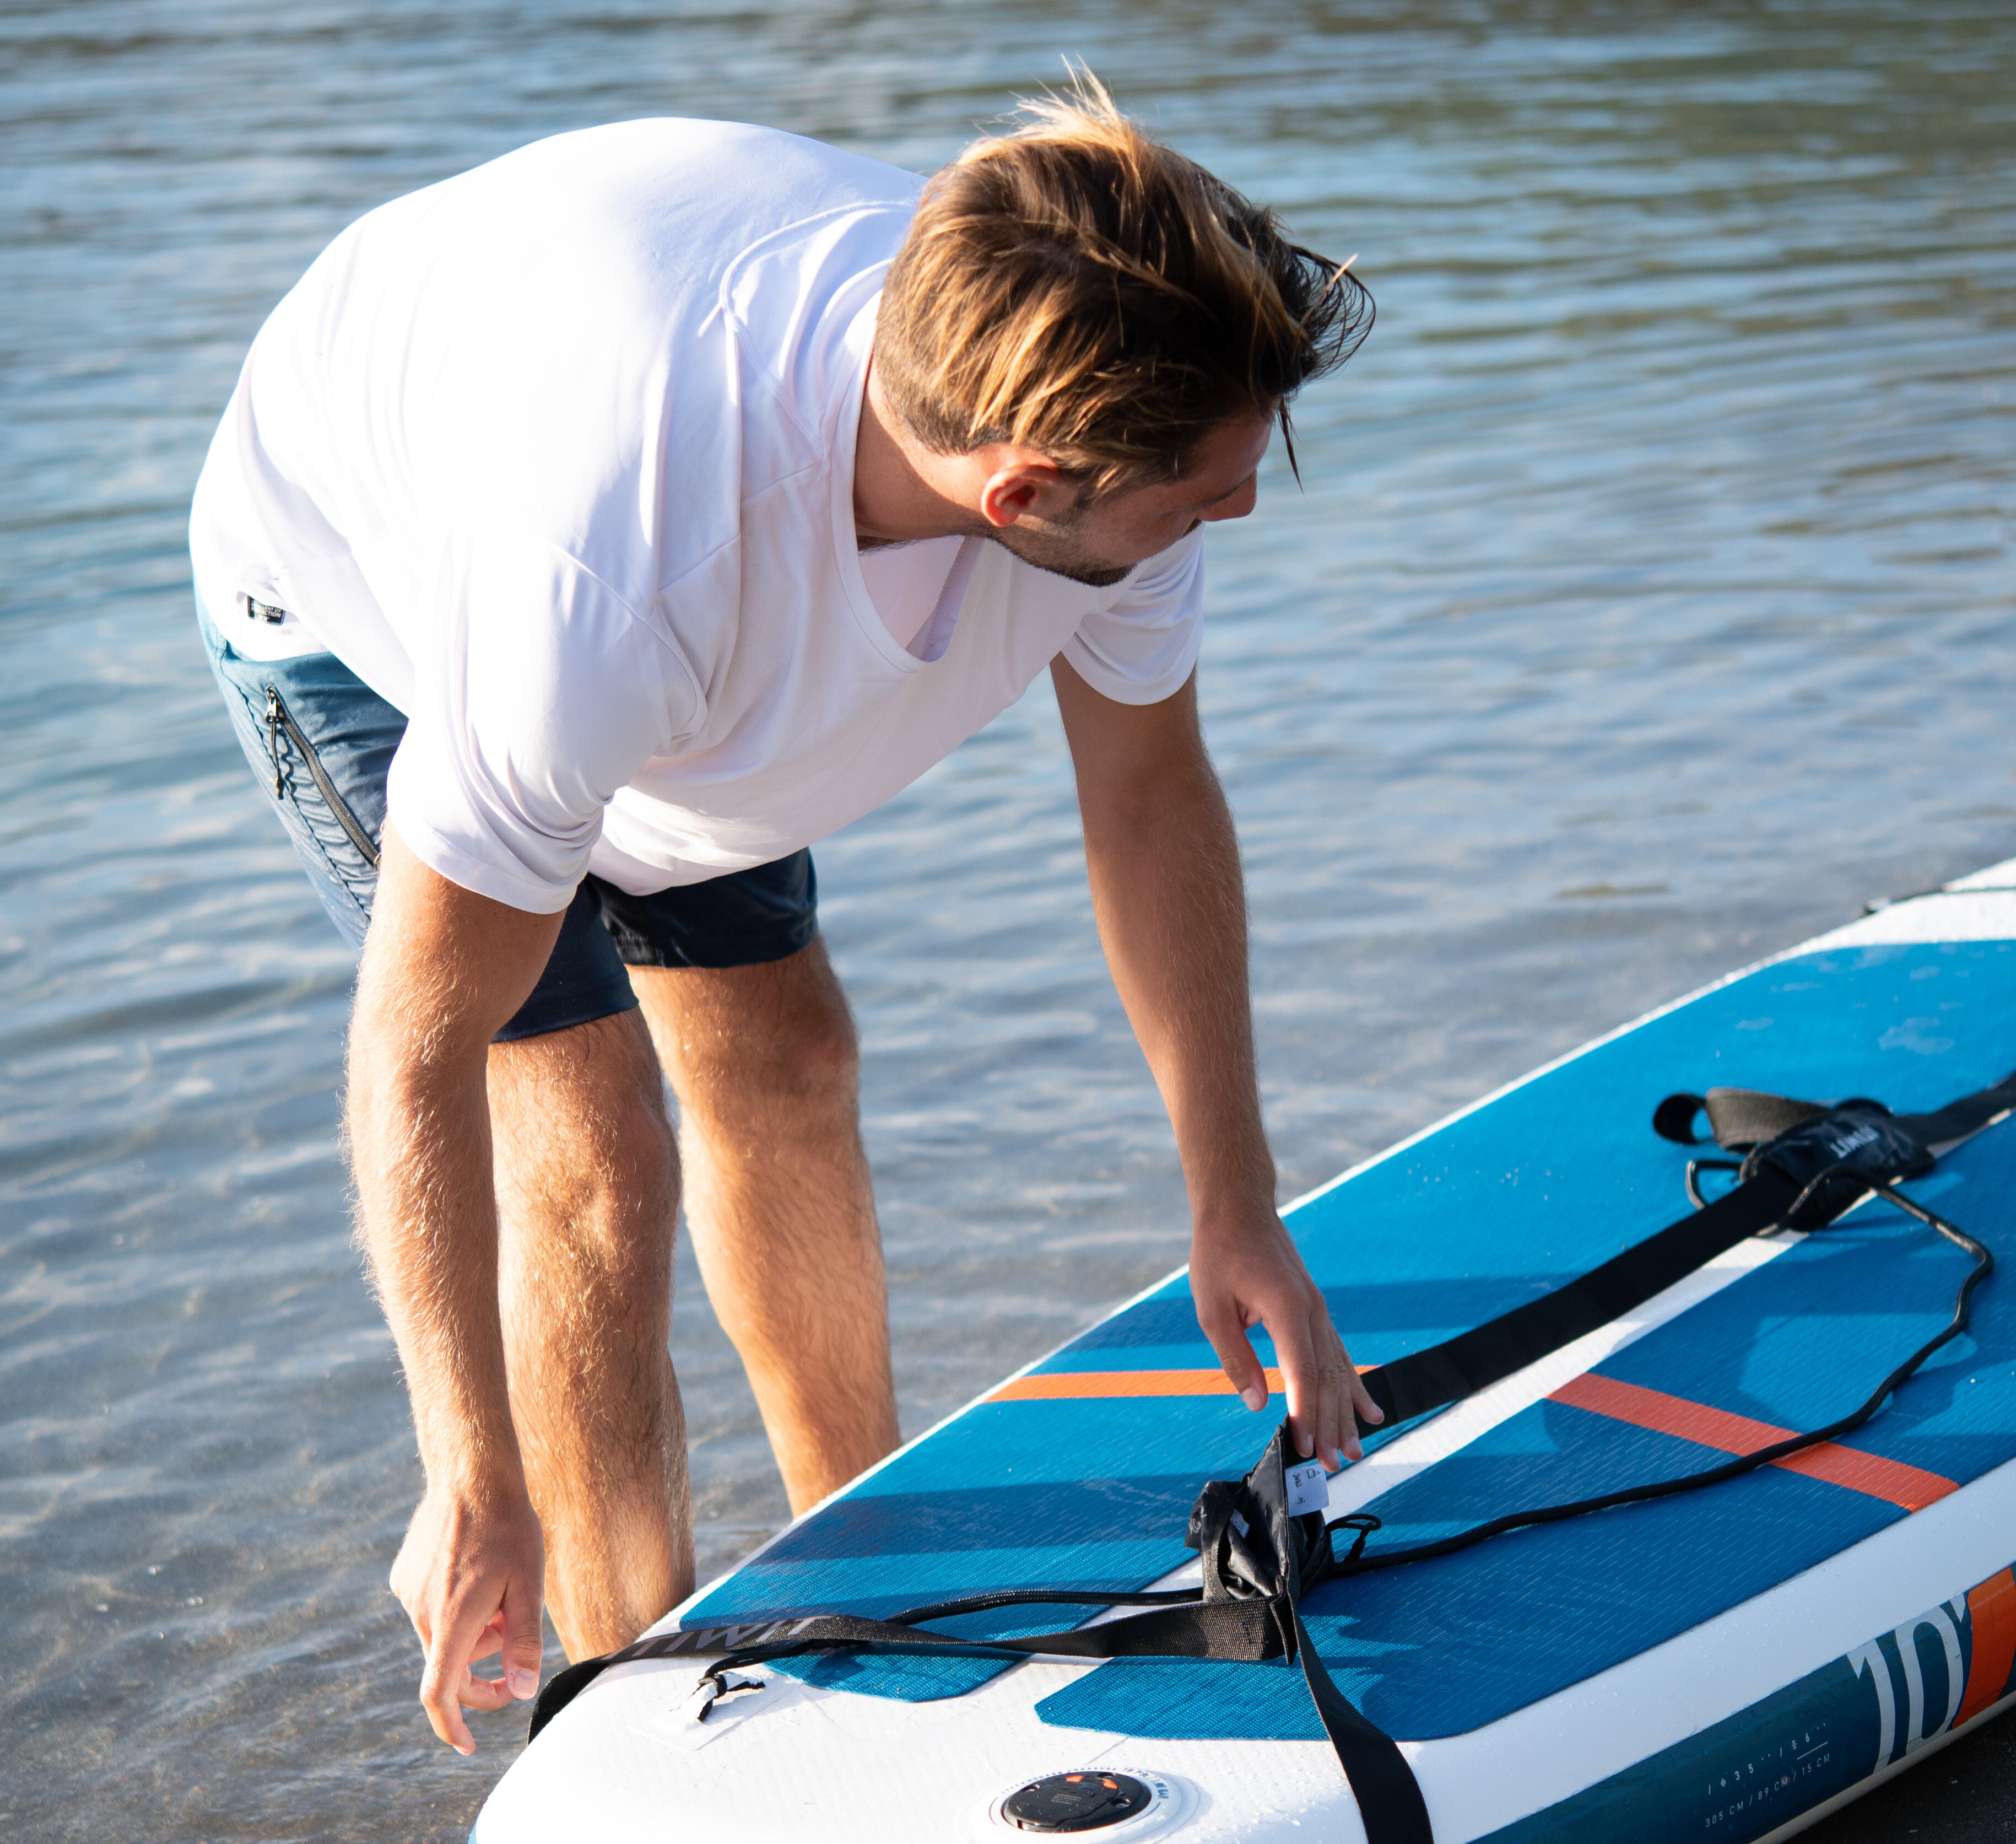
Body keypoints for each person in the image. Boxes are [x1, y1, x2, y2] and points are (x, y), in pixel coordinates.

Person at [190, 80, 1381, 1754]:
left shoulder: (1119, 396)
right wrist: (468, 1470)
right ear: (1025, 496)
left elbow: (1150, 803)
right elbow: (417, 1046)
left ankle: (865, 1572)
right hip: (364, 588)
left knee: (788, 1053)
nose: (1238, 512)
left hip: (659, 578)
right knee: (596, 1152)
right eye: (1200, 491)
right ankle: (629, 1693)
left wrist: (1234, 1202)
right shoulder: (618, 581)